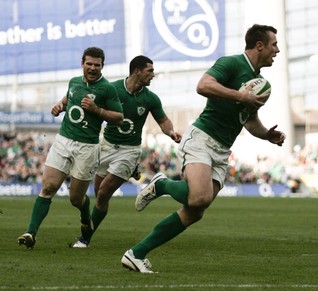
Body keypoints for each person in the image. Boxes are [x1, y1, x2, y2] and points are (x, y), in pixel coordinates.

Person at [121, 24, 286, 273]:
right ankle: (163, 184)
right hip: (202, 138)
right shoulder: (231, 64)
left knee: (196, 211)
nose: (278, 50)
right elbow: (203, 85)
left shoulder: (261, 83)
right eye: (274, 45)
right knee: (199, 197)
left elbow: (250, 120)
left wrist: (267, 135)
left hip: (222, 151)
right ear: (259, 46)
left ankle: (136, 253)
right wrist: (240, 96)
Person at [17, 47, 124, 249]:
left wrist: (97, 110)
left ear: (102, 66)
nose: (92, 68)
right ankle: (30, 233)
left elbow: (119, 118)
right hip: (64, 141)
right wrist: (59, 106)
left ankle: (85, 216)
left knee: (75, 199)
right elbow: (68, 99)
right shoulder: (74, 82)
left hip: (87, 147)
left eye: (97, 65)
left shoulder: (107, 89)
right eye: (89, 64)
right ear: (82, 63)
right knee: (48, 187)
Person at [72, 55, 182, 248]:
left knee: (104, 193)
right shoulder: (112, 89)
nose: (153, 75)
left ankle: (85, 238)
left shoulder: (150, 98)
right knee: (99, 194)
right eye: (150, 71)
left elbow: (163, 120)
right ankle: (129, 171)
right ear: (137, 71)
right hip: (106, 146)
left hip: (129, 149)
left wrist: (171, 131)